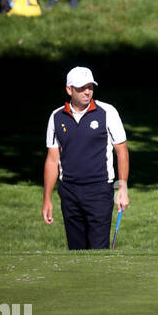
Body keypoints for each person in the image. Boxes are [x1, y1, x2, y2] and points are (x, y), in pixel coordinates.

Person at [42, 67, 129, 250]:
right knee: (76, 253)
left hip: (100, 191)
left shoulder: (107, 112)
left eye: (90, 86)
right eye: (82, 87)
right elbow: (52, 160)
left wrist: (122, 188)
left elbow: (121, 152)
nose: (87, 91)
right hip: (69, 192)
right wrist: (47, 199)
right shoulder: (57, 117)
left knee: (98, 252)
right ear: (69, 90)